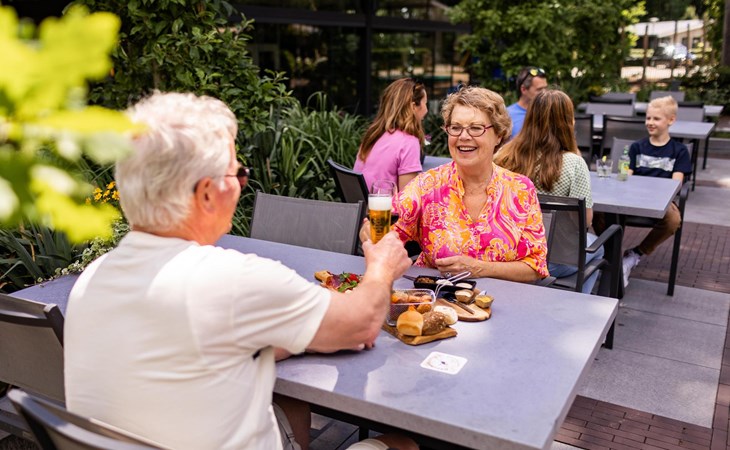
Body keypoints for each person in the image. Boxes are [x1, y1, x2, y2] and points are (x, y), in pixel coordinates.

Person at [63, 92, 417, 450]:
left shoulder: (91, 279)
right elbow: (361, 323)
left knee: (286, 405)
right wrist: (381, 268)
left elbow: (190, 351)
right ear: (207, 193)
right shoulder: (233, 279)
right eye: (238, 173)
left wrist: (291, 335)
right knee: (403, 444)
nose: (242, 184)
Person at [362, 86, 549, 282]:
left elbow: (535, 266)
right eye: (456, 127)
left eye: (476, 128)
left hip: (502, 298)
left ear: (499, 135)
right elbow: (385, 230)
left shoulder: (521, 189)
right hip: (435, 296)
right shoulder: (428, 185)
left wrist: (481, 268)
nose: (464, 136)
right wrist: (369, 232)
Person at [496, 89, 604, 294]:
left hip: (506, 255)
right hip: (553, 260)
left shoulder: (503, 156)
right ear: (568, 122)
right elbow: (585, 222)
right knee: (599, 247)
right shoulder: (573, 164)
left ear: (529, 118)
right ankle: (578, 303)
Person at [595, 95, 691, 288]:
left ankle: (635, 254)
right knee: (598, 212)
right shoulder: (637, 147)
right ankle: (612, 254)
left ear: (671, 120)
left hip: (661, 201)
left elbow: (676, 184)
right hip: (632, 198)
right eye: (648, 118)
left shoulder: (679, 151)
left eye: (656, 118)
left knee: (673, 220)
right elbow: (627, 176)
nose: (650, 122)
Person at [354, 78, 428, 191]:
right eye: (425, 103)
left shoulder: (373, 135)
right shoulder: (408, 143)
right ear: (413, 107)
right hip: (384, 202)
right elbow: (407, 197)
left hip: (362, 201)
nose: (426, 110)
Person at [506, 67, 548, 140]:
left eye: (545, 88)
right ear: (523, 89)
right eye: (539, 89)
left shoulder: (549, 112)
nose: (545, 93)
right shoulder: (507, 116)